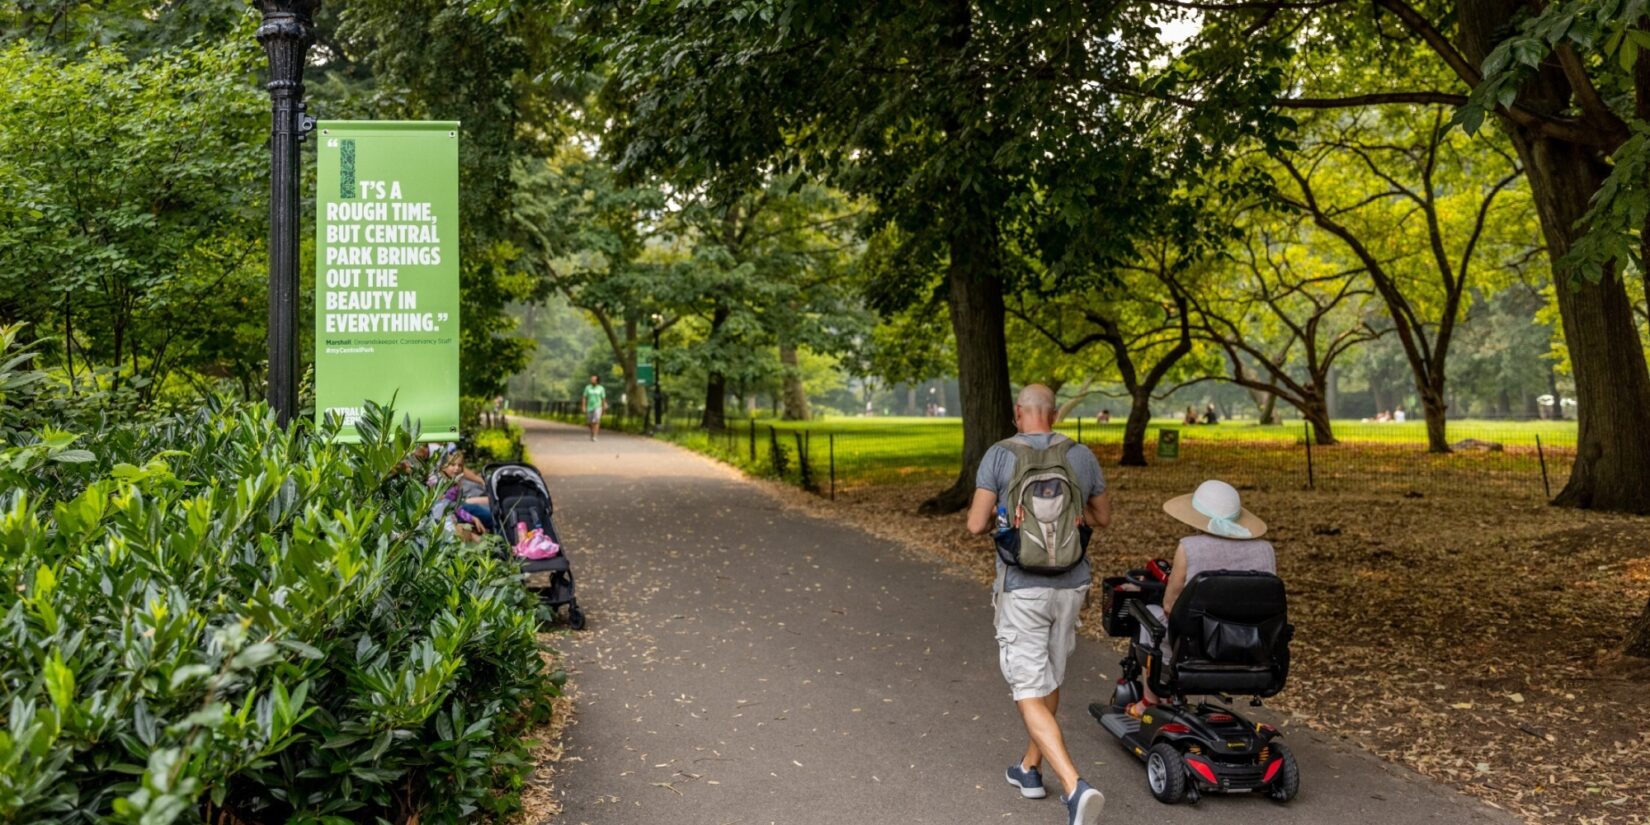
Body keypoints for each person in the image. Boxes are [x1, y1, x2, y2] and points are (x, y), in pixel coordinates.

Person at [967, 384, 1109, 825]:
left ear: (1018, 414)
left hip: (1022, 586)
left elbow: (974, 525)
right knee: (1048, 676)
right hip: (1071, 586)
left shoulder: (999, 455)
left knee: (1027, 687)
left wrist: (1004, 516)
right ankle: (1030, 769)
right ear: (1053, 415)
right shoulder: (1081, 456)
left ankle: (1073, 786)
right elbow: (1103, 518)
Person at [1126, 479, 1274, 717]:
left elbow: (1168, 606)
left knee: (1149, 615)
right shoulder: (1265, 549)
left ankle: (1150, 700)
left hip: (1196, 643)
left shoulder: (1190, 547)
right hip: (1250, 644)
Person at [582, 375, 607, 441]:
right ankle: (593, 432)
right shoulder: (587, 388)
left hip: (598, 406)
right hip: (589, 407)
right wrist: (583, 406)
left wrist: (604, 408)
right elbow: (584, 397)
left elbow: (603, 399)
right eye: (591, 379)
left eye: (593, 379)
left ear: (597, 381)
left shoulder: (601, 388)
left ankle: (595, 436)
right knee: (589, 423)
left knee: (596, 421)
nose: (592, 380)